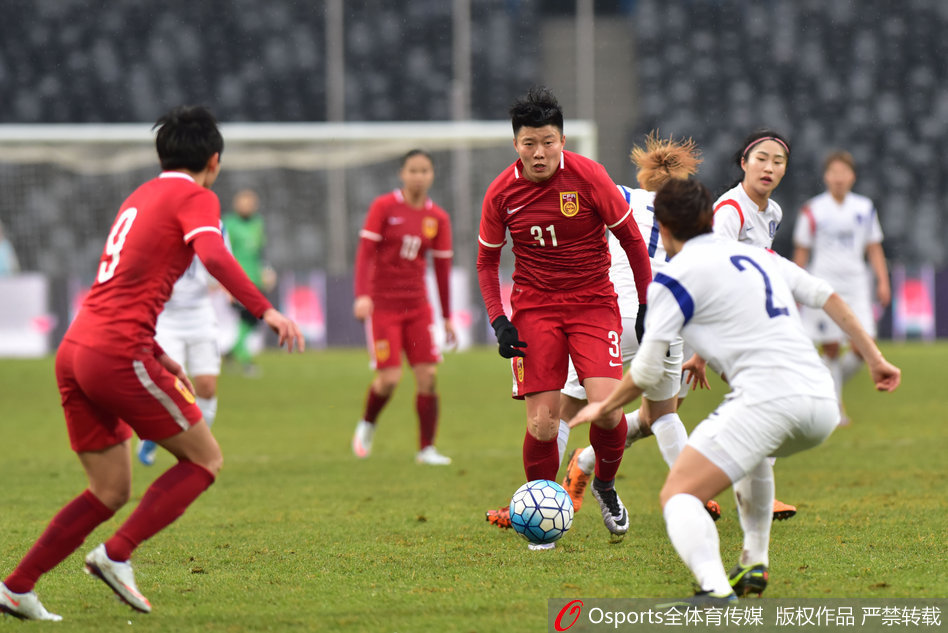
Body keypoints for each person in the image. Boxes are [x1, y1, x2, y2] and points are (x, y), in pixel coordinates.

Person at [0, 106, 304, 622]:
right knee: (204, 461)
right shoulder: (197, 196)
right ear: (214, 161)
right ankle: (115, 554)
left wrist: (159, 352)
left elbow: (121, 287)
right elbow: (214, 255)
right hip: (117, 351)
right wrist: (266, 310)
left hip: (77, 347)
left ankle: (16, 587)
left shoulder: (139, 196)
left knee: (110, 489)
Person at [571, 178, 900, 606]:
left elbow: (647, 371)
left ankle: (714, 588)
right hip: (821, 402)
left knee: (679, 494)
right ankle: (754, 562)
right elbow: (825, 295)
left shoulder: (672, 279)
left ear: (663, 228)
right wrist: (875, 358)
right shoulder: (757, 255)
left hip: (767, 402)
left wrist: (604, 406)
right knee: (754, 453)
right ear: (709, 217)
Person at [477, 87, 652, 546]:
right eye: (529, 143)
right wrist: (499, 319)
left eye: (548, 142)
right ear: (516, 144)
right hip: (535, 310)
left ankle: (605, 485)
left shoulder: (590, 177)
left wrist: (647, 303)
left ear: (562, 140)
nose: (539, 153)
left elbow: (633, 241)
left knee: (607, 411)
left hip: (593, 304)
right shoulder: (501, 193)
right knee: (542, 423)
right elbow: (486, 262)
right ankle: (542, 522)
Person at [555, 132, 721, 521]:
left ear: (644, 177)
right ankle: (691, 494)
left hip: (616, 317)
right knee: (663, 415)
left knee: (562, 411)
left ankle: (542, 494)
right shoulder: (695, 218)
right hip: (669, 322)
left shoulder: (622, 196)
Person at [712, 129, 797, 521]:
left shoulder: (772, 212)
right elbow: (713, 268)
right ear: (744, 163)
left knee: (655, 417)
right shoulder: (730, 210)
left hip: (747, 324)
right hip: (714, 321)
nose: (769, 167)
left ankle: (587, 461)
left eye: (778, 161)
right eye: (761, 158)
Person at [351, 149, 455, 466]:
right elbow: (365, 253)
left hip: (418, 307)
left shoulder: (438, 218)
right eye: (413, 170)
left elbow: (442, 270)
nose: (419, 176)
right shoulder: (384, 207)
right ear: (402, 174)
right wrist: (362, 295)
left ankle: (426, 449)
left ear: (432, 175)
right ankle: (367, 424)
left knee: (428, 376)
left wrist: (447, 316)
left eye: (424, 170)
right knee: (389, 379)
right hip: (384, 306)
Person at [793, 150, 890, 425]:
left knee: (864, 347)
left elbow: (874, 248)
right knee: (831, 347)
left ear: (852, 176)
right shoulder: (813, 209)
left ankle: (824, 387)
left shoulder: (865, 208)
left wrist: (883, 281)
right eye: (833, 172)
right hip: (823, 283)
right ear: (826, 177)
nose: (838, 178)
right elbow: (802, 250)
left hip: (857, 284)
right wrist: (794, 286)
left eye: (843, 172)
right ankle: (835, 409)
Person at [137, 244, 227, 466]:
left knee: (207, 386)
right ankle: (153, 436)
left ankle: (200, 447)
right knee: (173, 386)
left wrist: (225, 285)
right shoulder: (161, 229)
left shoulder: (216, 229)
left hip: (201, 315)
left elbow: (222, 263)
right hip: (166, 317)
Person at [221, 189, 272, 376]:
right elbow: (223, 252)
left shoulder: (258, 223)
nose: (247, 206)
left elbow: (260, 252)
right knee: (247, 317)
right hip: (238, 280)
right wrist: (225, 282)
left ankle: (232, 351)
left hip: (256, 280)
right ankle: (245, 359)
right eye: (244, 203)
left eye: (250, 203)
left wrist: (266, 271)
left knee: (254, 319)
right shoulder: (229, 223)